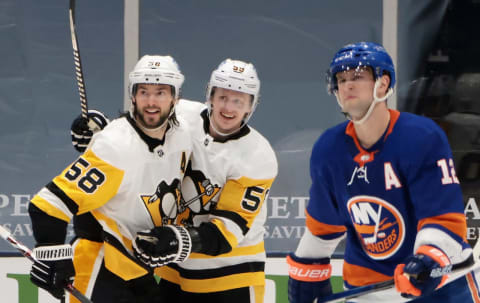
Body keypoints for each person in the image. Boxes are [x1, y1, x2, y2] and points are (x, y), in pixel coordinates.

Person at [71, 59, 278, 303]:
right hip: (175, 272)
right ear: (210, 96)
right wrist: (101, 131)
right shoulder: (183, 116)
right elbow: (136, 131)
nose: (228, 108)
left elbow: (228, 230)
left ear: (251, 106)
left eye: (238, 101)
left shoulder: (258, 156)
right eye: (222, 97)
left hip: (234, 277)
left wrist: (179, 239)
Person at [286, 42, 479, 303]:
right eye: (341, 79)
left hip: (440, 285)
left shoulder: (421, 137)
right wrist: (307, 270)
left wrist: (427, 260)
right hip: (369, 289)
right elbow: (323, 224)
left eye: (357, 77)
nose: (347, 85)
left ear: (383, 83)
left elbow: (441, 218)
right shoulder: (328, 149)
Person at [28, 54, 194, 303]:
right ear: (132, 95)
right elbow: (48, 205)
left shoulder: (183, 134)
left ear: (175, 97)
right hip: (100, 262)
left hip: (136, 267)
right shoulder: (115, 145)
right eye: (143, 91)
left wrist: (101, 127)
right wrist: (52, 254)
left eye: (160, 92)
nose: (151, 101)